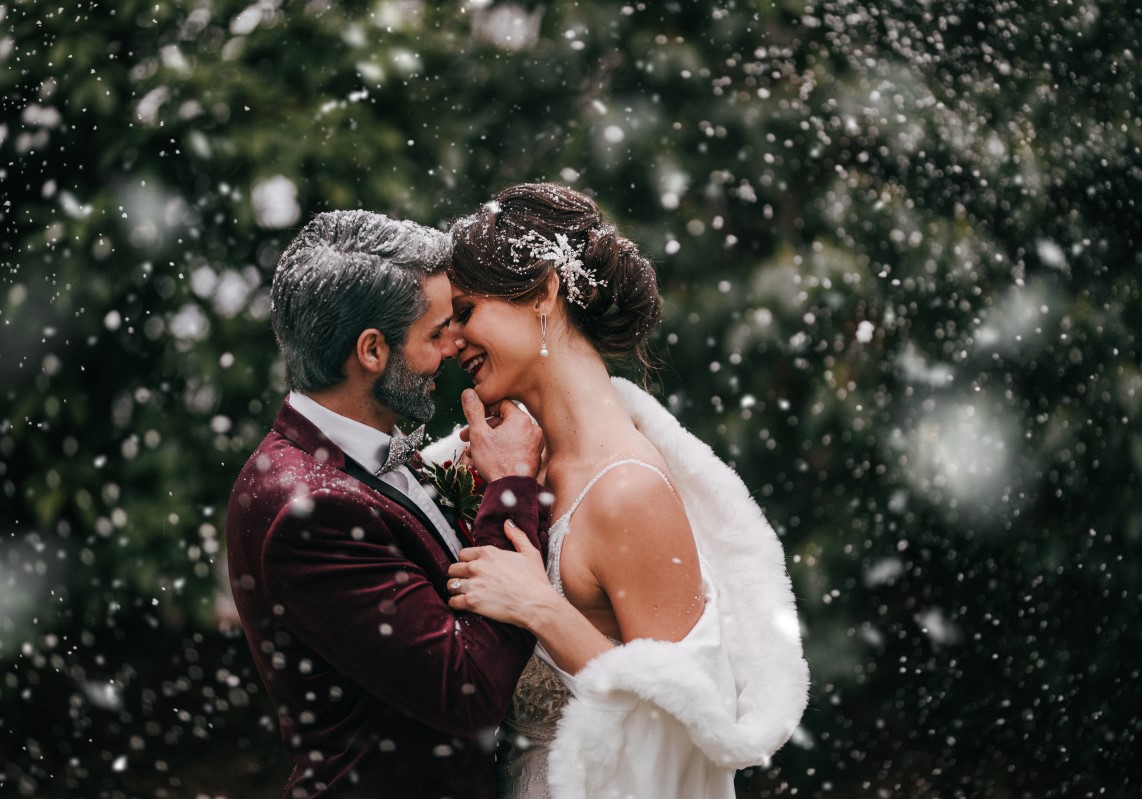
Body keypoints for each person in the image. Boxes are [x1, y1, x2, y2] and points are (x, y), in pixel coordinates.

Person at [440, 184, 809, 798]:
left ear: (544, 292)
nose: (453, 341)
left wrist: (540, 608)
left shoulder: (626, 492)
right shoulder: (517, 464)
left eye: (466, 311)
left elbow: (684, 729)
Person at [224, 210, 552, 798]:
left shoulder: (347, 458)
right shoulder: (310, 512)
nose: (454, 346)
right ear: (372, 350)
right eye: (436, 332)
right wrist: (510, 488)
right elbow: (468, 691)